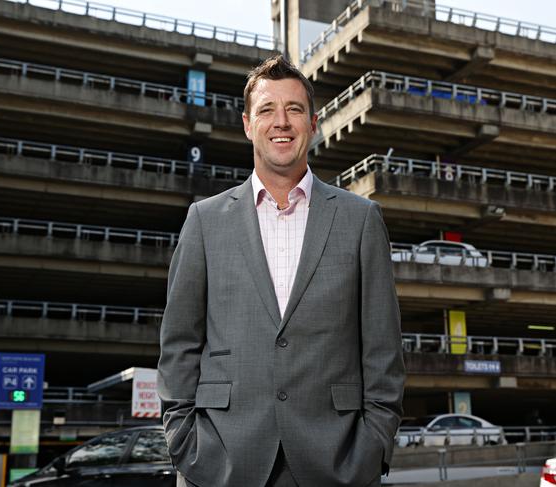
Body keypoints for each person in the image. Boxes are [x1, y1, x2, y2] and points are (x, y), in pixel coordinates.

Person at [157, 54, 405, 487]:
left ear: (312, 122)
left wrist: (373, 446)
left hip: (337, 462)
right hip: (220, 463)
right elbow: (179, 343)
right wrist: (184, 442)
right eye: (267, 110)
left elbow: (383, 349)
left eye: (294, 109)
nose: (281, 122)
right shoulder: (204, 220)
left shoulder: (361, 219)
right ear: (248, 125)